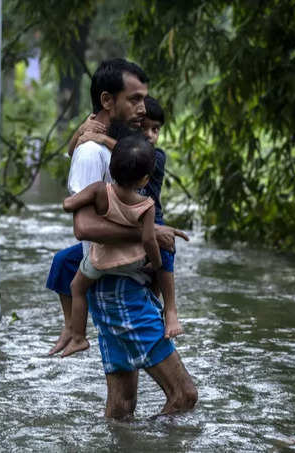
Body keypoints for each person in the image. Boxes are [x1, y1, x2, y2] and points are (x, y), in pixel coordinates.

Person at [46, 58, 197, 418]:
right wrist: (150, 231)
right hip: (119, 290)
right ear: (107, 101)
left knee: (122, 406)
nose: (143, 109)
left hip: (122, 284)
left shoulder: (117, 145)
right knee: (185, 395)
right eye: (134, 99)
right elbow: (82, 228)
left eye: (144, 99)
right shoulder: (90, 152)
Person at [73, 96, 183, 340]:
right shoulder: (122, 152)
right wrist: (82, 131)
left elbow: (136, 155)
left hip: (150, 218)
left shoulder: (156, 157)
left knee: (165, 251)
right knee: (63, 263)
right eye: (144, 128)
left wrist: (101, 138)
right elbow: (75, 148)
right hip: (124, 218)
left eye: (156, 129)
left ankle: (170, 309)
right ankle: (71, 328)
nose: (150, 135)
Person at [61, 135, 161, 358]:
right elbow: (148, 240)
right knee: (153, 280)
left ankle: (78, 337)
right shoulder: (147, 205)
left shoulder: (99, 190)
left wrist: (80, 202)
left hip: (101, 262)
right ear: (145, 180)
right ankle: (157, 308)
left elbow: (68, 205)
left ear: (111, 168)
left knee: (77, 287)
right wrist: (155, 264)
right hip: (131, 264)